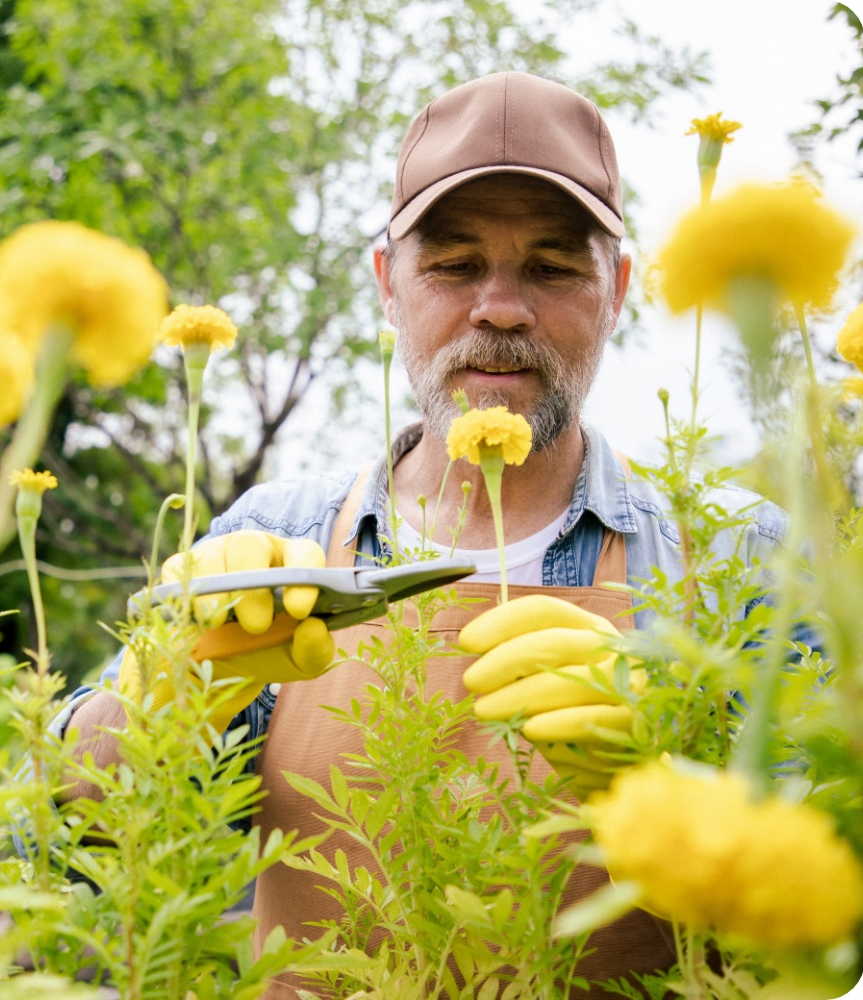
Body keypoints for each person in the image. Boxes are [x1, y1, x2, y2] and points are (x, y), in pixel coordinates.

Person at [56, 71, 787, 998]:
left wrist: (679, 792)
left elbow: (835, 909)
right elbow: (69, 836)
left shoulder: (733, 555)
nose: (501, 308)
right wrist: (157, 700)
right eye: (453, 264)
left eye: (554, 267)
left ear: (619, 291)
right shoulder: (278, 536)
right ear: (387, 284)